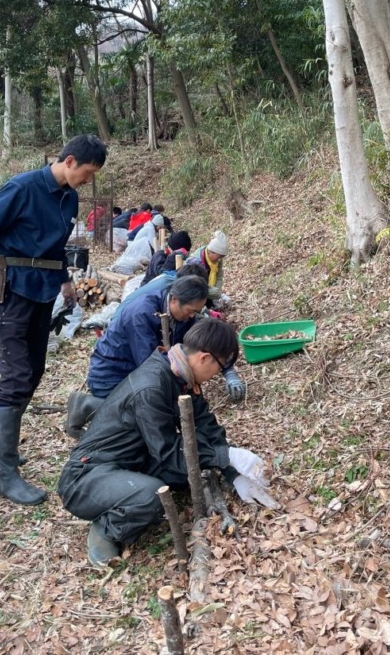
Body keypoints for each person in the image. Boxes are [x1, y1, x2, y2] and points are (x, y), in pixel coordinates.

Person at [58, 319, 278, 565]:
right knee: (151, 496)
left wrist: (232, 472)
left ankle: (127, 492)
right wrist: (228, 456)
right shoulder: (151, 387)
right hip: (87, 477)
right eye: (220, 367)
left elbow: (204, 423)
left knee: (183, 475)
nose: (217, 374)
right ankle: (106, 528)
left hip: (135, 458)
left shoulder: (180, 373)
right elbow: (169, 452)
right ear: (204, 358)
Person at [0, 134, 107, 506]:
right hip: (9, 292)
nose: (88, 181)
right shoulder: (22, 188)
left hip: (43, 291)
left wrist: (64, 280)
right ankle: (6, 473)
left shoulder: (69, 197)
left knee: (36, 369)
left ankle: (6, 446)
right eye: (88, 173)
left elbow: (57, 247)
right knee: (16, 378)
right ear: (70, 161)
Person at [66, 274, 208, 438]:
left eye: (196, 312)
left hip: (134, 371)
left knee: (155, 412)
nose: (192, 316)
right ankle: (87, 406)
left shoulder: (183, 315)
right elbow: (149, 364)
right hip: (111, 375)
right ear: (175, 299)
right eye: (191, 311)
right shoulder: (142, 313)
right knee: (140, 422)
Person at [187, 230, 247, 403]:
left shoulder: (215, 262)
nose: (219, 260)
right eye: (218, 256)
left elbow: (218, 278)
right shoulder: (195, 263)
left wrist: (212, 299)